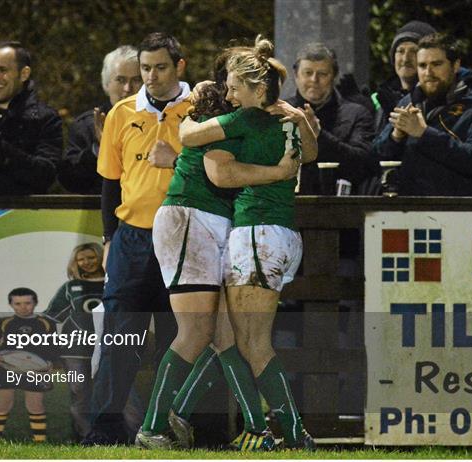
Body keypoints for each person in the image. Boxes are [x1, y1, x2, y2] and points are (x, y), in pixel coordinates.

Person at [134, 45, 305, 449]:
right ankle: (153, 427)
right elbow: (216, 168)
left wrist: (297, 122)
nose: (230, 91)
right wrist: (279, 170)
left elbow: (192, 138)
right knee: (197, 330)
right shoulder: (223, 105)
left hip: (215, 223)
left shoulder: (256, 112)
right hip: (191, 217)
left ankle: (251, 429)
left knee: (225, 335)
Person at [177, 38, 318, 450]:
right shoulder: (287, 117)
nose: (228, 92)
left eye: (235, 85)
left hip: (256, 232)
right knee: (237, 337)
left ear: (258, 90)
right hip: (283, 235)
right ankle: (183, 414)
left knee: (252, 343)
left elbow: (189, 138)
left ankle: (291, 434)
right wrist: (301, 120)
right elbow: (309, 153)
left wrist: (186, 116)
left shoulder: (243, 119)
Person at [82, 32, 187, 445]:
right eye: (146, 68)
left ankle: (170, 429)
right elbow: (109, 184)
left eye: (160, 67)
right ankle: (104, 431)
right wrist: (109, 238)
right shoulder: (121, 114)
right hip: (131, 240)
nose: (151, 76)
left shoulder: (202, 109)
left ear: (179, 66)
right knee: (119, 338)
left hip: (183, 236)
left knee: (177, 338)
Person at [373, 33, 472, 196]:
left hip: (459, 210)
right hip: (409, 211)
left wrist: (424, 134)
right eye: (422, 65)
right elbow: (376, 158)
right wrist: (395, 137)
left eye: (436, 64)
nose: (428, 72)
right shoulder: (407, 102)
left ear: (455, 65)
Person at [43, 243, 143, 440]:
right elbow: (50, 317)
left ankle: (139, 436)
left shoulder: (115, 282)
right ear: (75, 263)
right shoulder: (70, 288)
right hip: (76, 350)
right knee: (79, 393)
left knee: (124, 390)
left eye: (90, 257)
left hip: (111, 347)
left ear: (101, 257)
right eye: (81, 259)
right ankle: (90, 437)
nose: (86, 262)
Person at [0, 41, 62, 195]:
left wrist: (2, 150)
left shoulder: (45, 118)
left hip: (25, 217)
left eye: (2, 70)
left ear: (24, 74)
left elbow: (46, 175)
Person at [286, 42, 375, 194]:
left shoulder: (357, 114)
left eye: (322, 74)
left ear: (334, 76)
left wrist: (319, 136)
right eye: (308, 73)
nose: (314, 80)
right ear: (296, 76)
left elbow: (363, 164)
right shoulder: (281, 113)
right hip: (287, 207)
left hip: (341, 208)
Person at [58, 46, 143, 194]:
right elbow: (69, 181)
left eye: (136, 80)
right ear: (107, 84)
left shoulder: (160, 121)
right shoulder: (85, 126)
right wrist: (99, 149)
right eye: (120, 80)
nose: (128, 88)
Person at [0, 288, 58, 442]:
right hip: (5, 368)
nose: (23, 307)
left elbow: (53, 346)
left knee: (35, 405)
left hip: (35, 369)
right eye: (17, 303)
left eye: (27, 303)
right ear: (11, 304)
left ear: (35, 303)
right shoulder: (2, 322)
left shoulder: (46, 323)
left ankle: (39, 441)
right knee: (3, 403)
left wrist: (50, 362)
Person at [372, 21, 437, 134]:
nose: (406, 58)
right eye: (400, 51)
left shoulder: (439, 97)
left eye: (414, 51)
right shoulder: (381, 98)